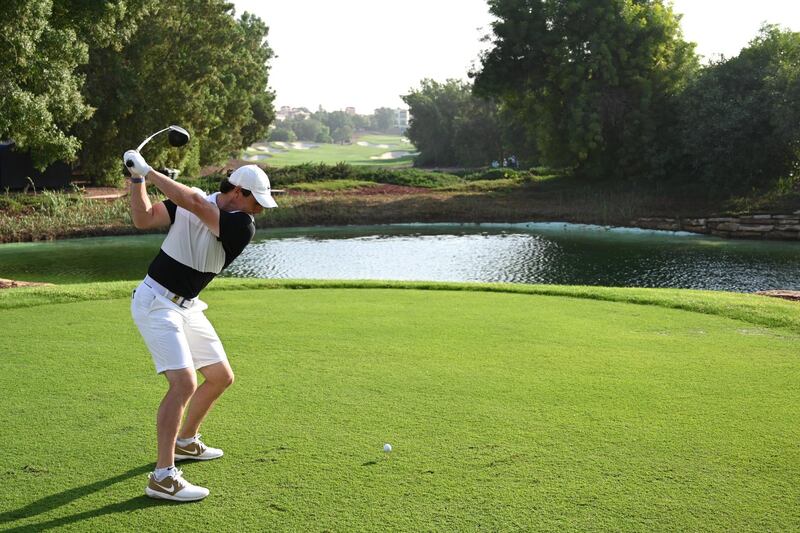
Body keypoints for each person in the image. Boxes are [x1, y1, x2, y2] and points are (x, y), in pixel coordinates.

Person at [124, 150, 277, 502]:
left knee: (221, 376)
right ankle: (162, 477)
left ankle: (185, 441)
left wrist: (150, 172)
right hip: (156, 302)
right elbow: (143, 219)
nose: (261, 209)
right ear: (238, 192)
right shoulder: (193, 203)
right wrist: (137, 180)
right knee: (184, 384)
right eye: (258, 201)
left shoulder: (242, 225)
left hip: (187, 307)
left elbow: (193, 201)